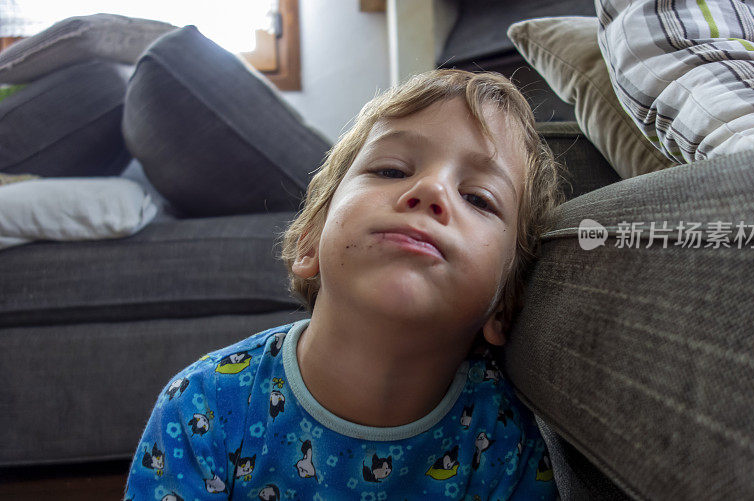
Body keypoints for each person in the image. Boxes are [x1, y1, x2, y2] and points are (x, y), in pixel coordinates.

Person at [124, 69, 564, 500]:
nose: (431, 189)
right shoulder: (203, 407)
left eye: (478, 199)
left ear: (504, 304)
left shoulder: (506, 442)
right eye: (391, 170)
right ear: (310, 239)